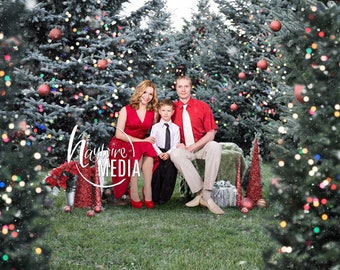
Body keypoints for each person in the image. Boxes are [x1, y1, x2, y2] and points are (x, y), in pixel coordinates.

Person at [170, 75, 224, 215]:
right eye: (180, 86)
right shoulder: (172, 109)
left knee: (214, 145)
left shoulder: (202, 106)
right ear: (176, 89)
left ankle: (206, 193)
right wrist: (177, 144)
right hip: (184, 150)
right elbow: (164, 130)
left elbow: (211, 134)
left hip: (200, 147)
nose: (183, 90)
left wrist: (193, 147)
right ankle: (200, 193)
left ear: (191, 87)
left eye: (186, 86)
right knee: (175, 154)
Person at [108, 80, 159, 209]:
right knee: (142, 147)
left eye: (150, 94)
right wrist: (143, 141)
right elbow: (119, 134)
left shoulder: (153, 112)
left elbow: (156, 130)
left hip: (139, 144)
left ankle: (148, 190)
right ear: (139, 92)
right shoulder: (126, 109)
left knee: (147, 149)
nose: (147, 96)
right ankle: (134, 189)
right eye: (145, 92)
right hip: (122, 143)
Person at [150, 99, 180, 205]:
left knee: (170, 172)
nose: (166, 113)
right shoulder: (155, 127)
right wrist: (159, 153)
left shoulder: (176, 128)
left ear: (172, 112)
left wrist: (168, 153)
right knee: (157, 173)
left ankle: (165, 197)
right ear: (159, 111)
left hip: (170, 151)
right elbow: (152, 142)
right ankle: (155, 196)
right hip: (158, 151)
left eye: (168, 110)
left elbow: (176, 144)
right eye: (163, 110)